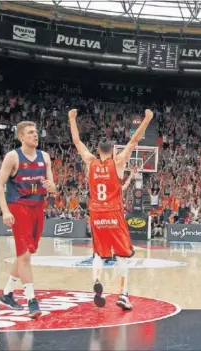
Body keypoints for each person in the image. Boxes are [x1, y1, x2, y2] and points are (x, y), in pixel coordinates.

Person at [68, 108, 153, 311]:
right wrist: (147, 119)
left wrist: (72, 119)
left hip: (96, 213)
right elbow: (134, 141)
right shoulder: (118, 162)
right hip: (114, 213)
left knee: (98, 253)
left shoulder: (90, 162)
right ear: (113, 150)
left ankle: (97, 280)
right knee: (123, 255)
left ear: (98, 150)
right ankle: (123, 295)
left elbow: (77, 142)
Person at [0, 121, 56, 318]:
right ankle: (31, 299)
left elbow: (53, 187)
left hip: (37, 206)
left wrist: (51, 187)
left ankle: (6, 294)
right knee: (25, 256)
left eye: (36, 132)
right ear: (21, 136)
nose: (35, 135)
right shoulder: (13, 157)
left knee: (25, 253)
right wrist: (5, 211)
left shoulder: (45, 157)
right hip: (18, 206)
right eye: (30, 132)